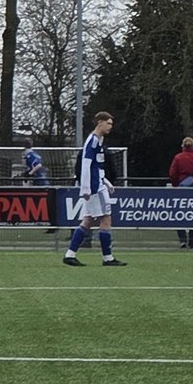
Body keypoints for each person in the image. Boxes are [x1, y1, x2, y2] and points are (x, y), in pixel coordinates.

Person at [63, 111, 126, 267]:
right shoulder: (92, 140)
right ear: (100, 122)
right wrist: (85, 186)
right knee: (106, 218)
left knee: (89, 219)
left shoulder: (98, 140)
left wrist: (106, 181)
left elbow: (96, 167)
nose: (110, 126)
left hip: (97, 184)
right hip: (94, 188)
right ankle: (108, 258)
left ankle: (70, 254)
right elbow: (86, 163)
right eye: (108, 123)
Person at [169, 136, 193, 249]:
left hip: (181, 187)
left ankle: (182, 239)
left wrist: (175, 184)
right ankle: (192, 242)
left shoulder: (178, 157)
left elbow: (173, 173)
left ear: (182, 146)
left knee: (179, 213)